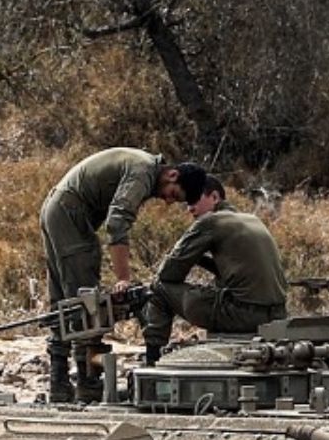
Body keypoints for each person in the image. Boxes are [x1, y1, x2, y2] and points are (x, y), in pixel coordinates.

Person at [139, 175, 290, 365]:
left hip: (242, 315)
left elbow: (168, 274)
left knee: (159, 289)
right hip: (277, 315)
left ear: (215, 197)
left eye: (194, 200)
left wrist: (188, 252)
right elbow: (239, 272)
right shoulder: (252, 220)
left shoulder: (210, 222)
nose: (190, 208)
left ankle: (153, 361)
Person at [38, 148, 203, 302]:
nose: (168, 201)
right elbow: (117, 222)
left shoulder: (146, 166)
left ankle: (61, 332)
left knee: (64, 287)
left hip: (58, 208)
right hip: (68, 211)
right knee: (84, 295)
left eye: (174, 201)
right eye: (173, 194)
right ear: (173, 175)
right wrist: (123, 279)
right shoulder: (143, 172)